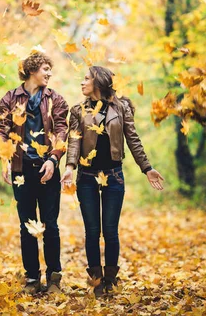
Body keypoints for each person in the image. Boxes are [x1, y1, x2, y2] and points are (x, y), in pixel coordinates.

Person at [61, 65, 164, 298]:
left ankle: (110, 280)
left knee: (110, 230)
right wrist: (69, 167)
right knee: (92, 231)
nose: (82, 83)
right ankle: (96, 281)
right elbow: (74, 142)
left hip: (114, 175)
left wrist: (146, 168)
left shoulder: (122, 107)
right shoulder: (78, 110)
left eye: (86, 79)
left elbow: (133, 139)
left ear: (98, 82)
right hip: (86, 176)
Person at [0, 51, 69, 294]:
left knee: (51, 225)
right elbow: (0, 130)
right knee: (27, 225)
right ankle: (32, 279)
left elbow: (61, 130)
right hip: (21, 169)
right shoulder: (10, 98)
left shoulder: (56, 99)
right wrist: (5, 157)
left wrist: (54, 159)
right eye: (45, 68)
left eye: (50, 69)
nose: (49, 73)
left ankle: (54, 279)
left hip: (48, 169)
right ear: (32, 70)